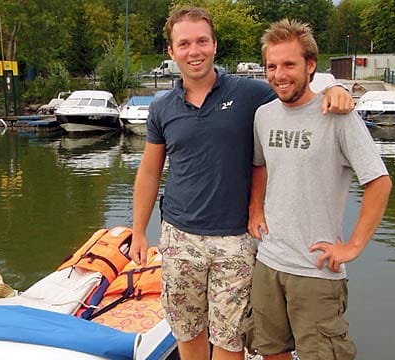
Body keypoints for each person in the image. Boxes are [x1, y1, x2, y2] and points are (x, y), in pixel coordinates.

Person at [128, 5, 354, 360]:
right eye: (184, 43)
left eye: (202, 41)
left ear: (215, 45)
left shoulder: (250, 95)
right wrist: (139, 231)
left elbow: (294, 88)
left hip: (236, 240)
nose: (195, 50)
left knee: (230, 339)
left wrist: (334, 87)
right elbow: (149, 172)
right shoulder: (162, 107)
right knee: (187, 330)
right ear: (171, 52)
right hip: (178, 237)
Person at [247, 19, 392, 360]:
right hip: (268, 262)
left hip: (316, 271)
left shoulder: (338, 116)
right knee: (270, 350)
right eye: (272, 66)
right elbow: (260, 164)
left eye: (289, 64)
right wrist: (256, 208)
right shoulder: (263, 116)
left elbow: (379, 182)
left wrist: (354, 246)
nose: (279, 74)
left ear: (310, 66)